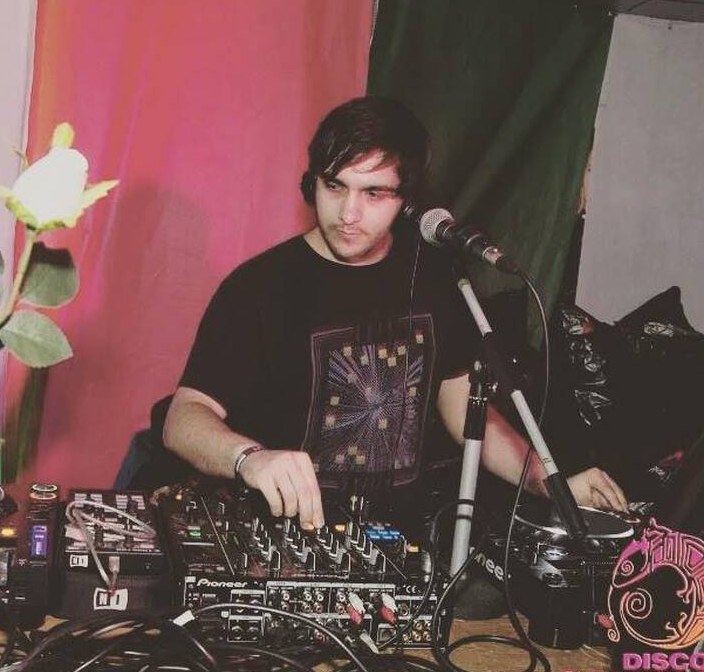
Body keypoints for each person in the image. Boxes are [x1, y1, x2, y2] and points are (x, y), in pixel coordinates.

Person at [163, 96, 626, 530]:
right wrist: (250, 458)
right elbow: (184, 418)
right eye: (334, 186)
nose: (348, 212)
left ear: (408, 202)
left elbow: (466, 412)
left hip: (396, 544)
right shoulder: (259, 287)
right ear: (313, 184)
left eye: (374, 193)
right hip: (284, 537)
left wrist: (545, 479)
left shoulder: (435, 279)